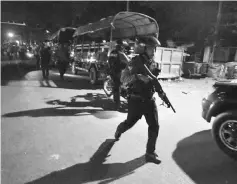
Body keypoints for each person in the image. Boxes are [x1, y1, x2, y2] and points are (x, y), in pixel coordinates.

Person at [114, 36, 164, 163]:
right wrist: (137, 77)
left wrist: (161, 93)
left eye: (154, 48)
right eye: (151, 48)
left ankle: (150, 153)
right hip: (136, 99)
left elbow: (154, 81)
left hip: (149, 99)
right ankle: (120, 129)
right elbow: (123, 79)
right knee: (129, 123)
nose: (153, 51)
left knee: (154, 126)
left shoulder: (154, 63)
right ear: (143, 48)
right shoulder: (134, 62)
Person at [108, 40, 130, 109]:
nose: (124, 48)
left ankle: (117, 101)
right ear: (121, 46)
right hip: (118, 72)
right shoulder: (120, 53)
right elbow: (128, 62)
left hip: (112, 71)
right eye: (123, 47)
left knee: (116, 86)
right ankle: (117, 105)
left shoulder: (112, 52)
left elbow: (109, 60)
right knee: (117, 87)